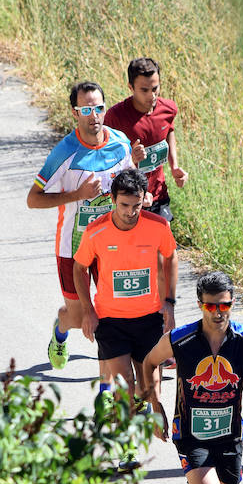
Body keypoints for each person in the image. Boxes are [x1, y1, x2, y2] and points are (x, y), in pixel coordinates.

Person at [143, 271, 243, 484]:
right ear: (201, 304)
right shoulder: (179, 339)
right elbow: (149, 362)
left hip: (230, 436)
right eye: (210, 306)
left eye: (224, 305)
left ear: (232, 303)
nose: (217, 312)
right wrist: (155, 406)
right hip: (191, 436)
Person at [27, 80, 134, 370]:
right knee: (77, 317)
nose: (94, 115)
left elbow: (131, 185)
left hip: (110, 243)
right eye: (86, 109)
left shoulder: (121, 143)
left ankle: (110, 385)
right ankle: (60, 331)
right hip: (72, 247)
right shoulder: (65, 152)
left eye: (98, 107)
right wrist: (77, 195)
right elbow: (33, 200)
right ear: (75, 113)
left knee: (111, 313)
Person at [73, 168, 178, 401]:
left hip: (149, 319)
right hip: (111, 321)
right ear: (113, 200)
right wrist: (88, 311)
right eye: (124, 205)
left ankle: (137, 415)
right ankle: (123, 426)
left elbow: (171, 256)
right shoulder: (95, 231)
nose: (131, 212)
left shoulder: (158, 226)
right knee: (125, 385)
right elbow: (79, 268)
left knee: (149, 389)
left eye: (137, 205)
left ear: (144, 200)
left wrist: (169, 302)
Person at [104, 57, 188, 221]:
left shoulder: (168, 109)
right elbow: (105, 159)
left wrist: (175, 166)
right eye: (144, 90)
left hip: (158, 194)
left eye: (155, 88)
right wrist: (130, 159)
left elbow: (169, 131)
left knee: (164, 243)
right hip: (129, 200)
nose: (152, 95)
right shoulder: (116, 117)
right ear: (131, 87)